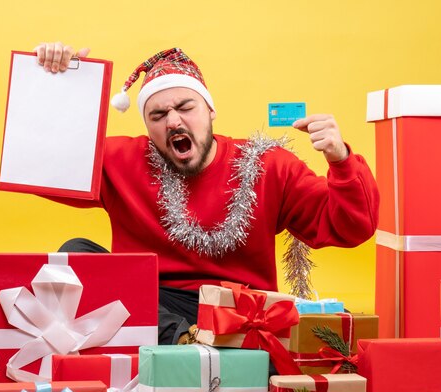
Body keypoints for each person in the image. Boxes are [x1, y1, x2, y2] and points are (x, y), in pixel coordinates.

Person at [34, 43, 380, 345]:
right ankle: (186, 341)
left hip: (241, 311)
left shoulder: (269, 165)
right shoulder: (120, 161)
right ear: (147, 125)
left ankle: (206, 346)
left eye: (185, 107)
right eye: (158, 114)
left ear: (210, 111)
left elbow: (351, 227)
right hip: (150, 304)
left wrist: (341, 160)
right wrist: (61, 86)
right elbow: (36, 166)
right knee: (76, 254)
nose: (173, 122)